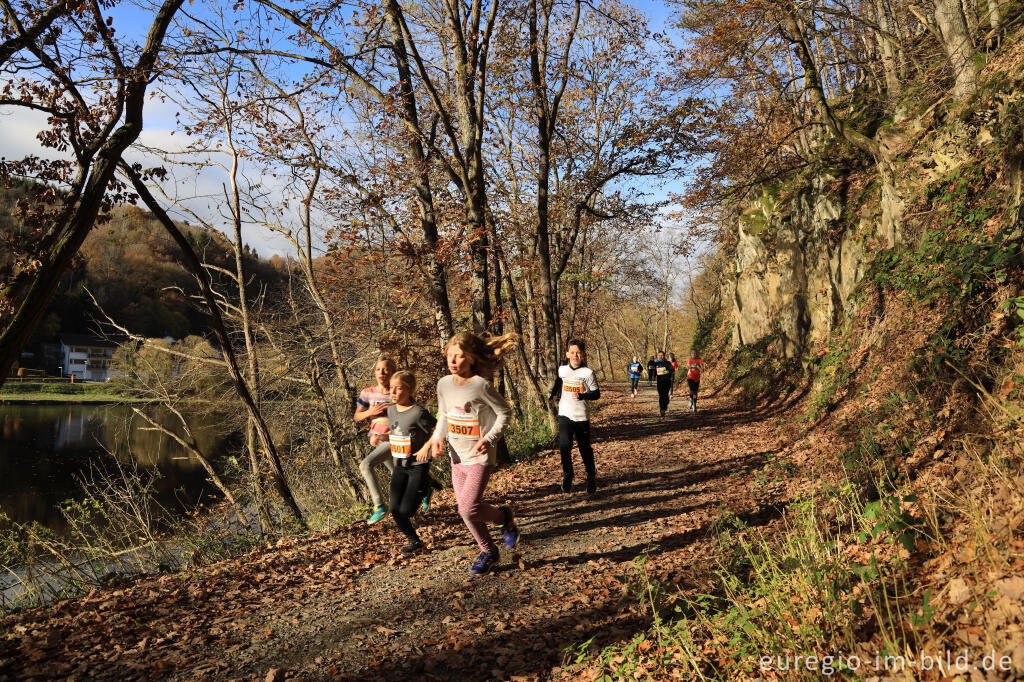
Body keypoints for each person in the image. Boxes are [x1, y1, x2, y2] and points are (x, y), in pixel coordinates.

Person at [431, 331, 520, 576]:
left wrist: (490, 439)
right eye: (450, 356)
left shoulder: (481, 386)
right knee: (467, 509)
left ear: (470, 358)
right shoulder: (443, 384)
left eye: (459, 357)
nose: (453, 361)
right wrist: (438, 438)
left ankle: (504, 516)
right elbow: (444, 415)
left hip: (480, 457)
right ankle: (489, 551)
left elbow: (504, 413)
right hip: (456, 457)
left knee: (467, 509)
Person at [386, 370, 437, 554]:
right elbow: (397, 432)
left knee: (406, 511)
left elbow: (439, 428)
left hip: (417, 466)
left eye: (398, 388)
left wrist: (426, 447)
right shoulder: (391, 410)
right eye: (390, 388)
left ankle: (427, 485)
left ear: (410, 390)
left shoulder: (418, 412)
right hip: (399, 466)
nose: (392, 392)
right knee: (394, 510)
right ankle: (415, 541)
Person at [549, 339, 600, 495]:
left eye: (578, 352)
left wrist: (583, 395)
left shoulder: (588, 373)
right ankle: (568, 474)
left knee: (585, 449)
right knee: (564, 445)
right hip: (565, 414)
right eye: (572, 352)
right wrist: (552, 395)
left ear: (583, 354)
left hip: (581, 417)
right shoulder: (562, 369)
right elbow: (559, 382)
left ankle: (591, 476)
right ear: (567, 354)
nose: (575, 355)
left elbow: (596, 394)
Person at [354, 358, 396, 524]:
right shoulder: (368, 392)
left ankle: (379, 506)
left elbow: (409, 416)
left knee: (365, 465)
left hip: (395, 439)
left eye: (385, 369)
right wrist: (369, 412)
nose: (381, 373)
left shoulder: (398, 391)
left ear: (393, 372)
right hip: (377, 441)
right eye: (378, 369)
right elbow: (357, 416)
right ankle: (425, 487)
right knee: (398, 474)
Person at [652, 350, 674, 418]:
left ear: (664, 356)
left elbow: (672, 370)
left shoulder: (667, 363)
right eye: (659, 355)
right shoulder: (656, 364)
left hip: (667, 382)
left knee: (666, 397)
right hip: (660, 382)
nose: (660, 356)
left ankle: (664, 406)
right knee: (661, 396)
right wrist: (653, 376)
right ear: (657, 356)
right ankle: (662, 409)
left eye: (662, 355)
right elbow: (654, 372)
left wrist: (665, 371)